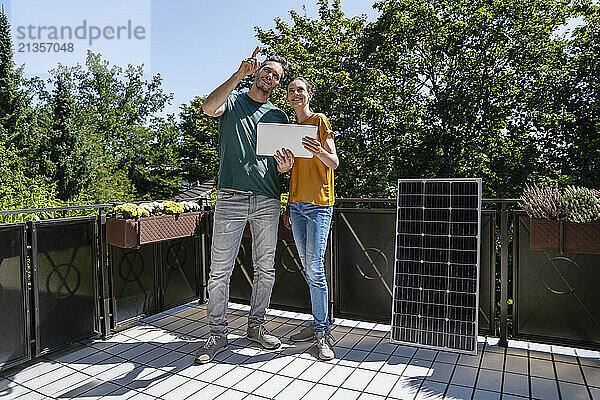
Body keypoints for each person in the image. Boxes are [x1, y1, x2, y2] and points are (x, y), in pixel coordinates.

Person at [195, 47, 294, 364]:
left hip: (267, 199)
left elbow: (284, 166)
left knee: (266, 269)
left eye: (276, 75)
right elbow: (208, 108)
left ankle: (256, 327)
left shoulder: (279, 116)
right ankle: (217, 335)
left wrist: (284, 168)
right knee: (219, 272)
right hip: (230, 197)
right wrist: (238, 74)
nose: (270, 76)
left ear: (278, 84)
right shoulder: (234, 100)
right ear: (258, 71)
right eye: (267, 70)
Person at [275, 77, 339, 360]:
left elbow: (334, 162)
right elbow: (291, 172)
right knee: (308, 268)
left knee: (315, 267)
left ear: (309, 94)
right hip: (297, 206)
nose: (295, 94)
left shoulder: (320, 121)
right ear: (287, 97)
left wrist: (320, 151)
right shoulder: (290, 130)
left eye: (300, 89)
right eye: (290, 91)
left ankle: (322, 332)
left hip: (319, 206)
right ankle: (318, 324)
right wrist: (284, 171)